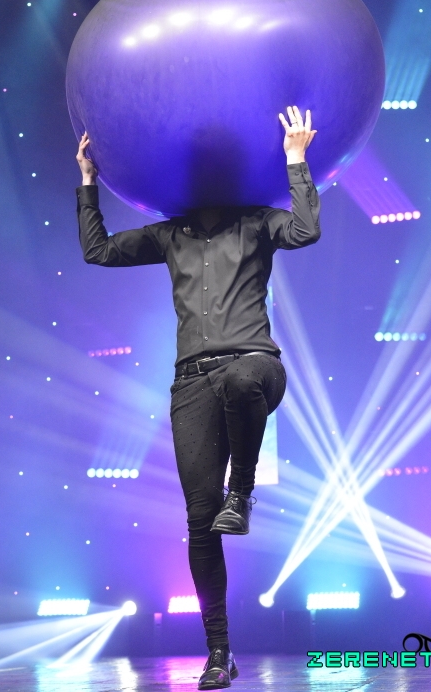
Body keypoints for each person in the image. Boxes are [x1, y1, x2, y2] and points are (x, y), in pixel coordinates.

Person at [75, 106, 321, 690]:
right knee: (200, 521)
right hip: (191, 384)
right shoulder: (169, 235)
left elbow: (306, 231)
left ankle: (244, 493)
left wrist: (295, 158)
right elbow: (98, 250)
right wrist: (87, 182)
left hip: (257, 367)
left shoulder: (257, 223)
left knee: (240, 380)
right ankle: (219, 652)